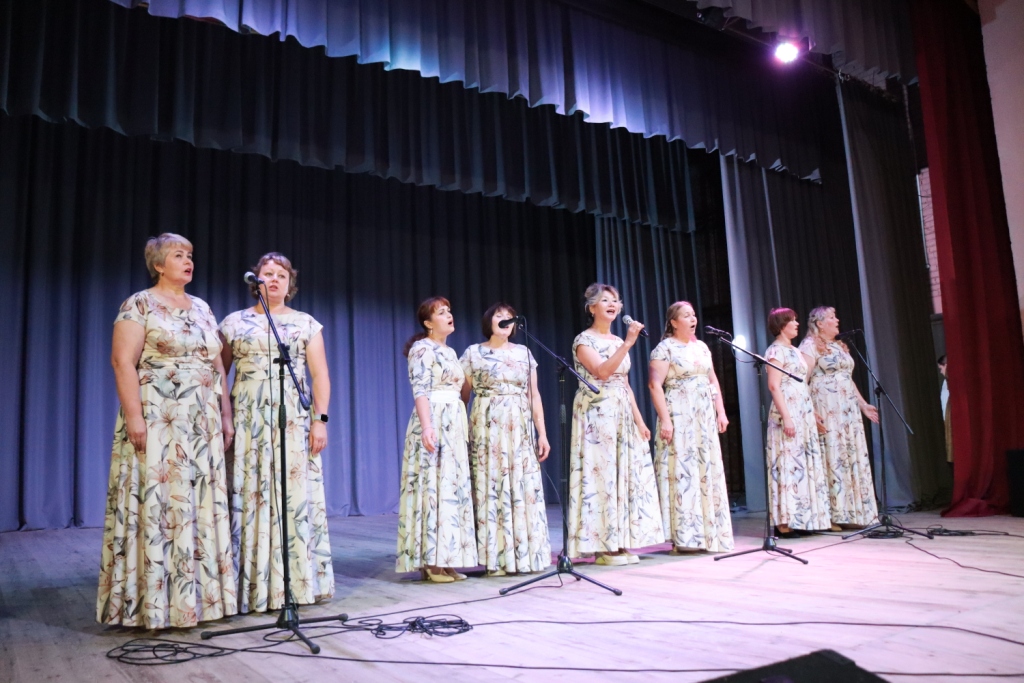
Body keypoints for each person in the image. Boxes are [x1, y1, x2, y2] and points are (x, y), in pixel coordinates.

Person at [98, 233, 238, 628]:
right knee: (162, 503)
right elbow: (122, 362)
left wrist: (225, 415)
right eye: (178, 255)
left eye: (190, 254)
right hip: (159, 415)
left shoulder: (203, 308)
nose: (188, 261)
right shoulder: (139, 304)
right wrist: (135, 417)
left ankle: (201, 602)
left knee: (199, 504)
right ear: (159, 265)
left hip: (202, 421)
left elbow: (217, 366)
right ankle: (154, 604)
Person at [219, 252, 334, 613]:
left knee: (292, 496)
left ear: (290, 283)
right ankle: (249, 586)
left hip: (292, 418)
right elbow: (219, 373)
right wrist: (225, 416)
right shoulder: (233, 323)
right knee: (251, 494)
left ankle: (295, 583)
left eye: (281, 275)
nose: (274, 279)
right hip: (248, 418)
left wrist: (320, 420)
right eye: (267, 273)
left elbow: (320, 375)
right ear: (256, 281)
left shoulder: (305, 323)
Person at [568, 284, 664, 565]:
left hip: (621, 411)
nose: (612, 304)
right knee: (603, 477)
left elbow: (624, 383)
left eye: (615, 301)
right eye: (605, 300)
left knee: (623, 477)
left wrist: (639, 419)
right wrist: (628, 342)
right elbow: (602, 371)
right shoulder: (584, 340)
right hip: (597, 413)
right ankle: (601, 547)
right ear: (591, 307)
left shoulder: (617, 340)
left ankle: (619, 541)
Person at [460, 303, 552, 577]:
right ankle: (494, 558)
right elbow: (463, 396)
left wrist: (542, 433)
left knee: (521, 486)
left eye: (509, 317)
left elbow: (534, 395)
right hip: (487, 426)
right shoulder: (473, 353)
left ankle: (524, 555)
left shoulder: (524, 353)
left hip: (519, 427)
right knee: (492, 486)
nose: (505, 320)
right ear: (488, 322)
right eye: (499, 316)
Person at [396, 297, 478, 582]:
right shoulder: (422, 348)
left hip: (454, 423)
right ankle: (431, 562)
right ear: (428, 323)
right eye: (441, 312)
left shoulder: (451, 352)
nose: (448, 315)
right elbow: (419, 389)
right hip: (434, 419)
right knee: (433, 489)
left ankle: (447, 559)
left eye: (449, 311)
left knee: (451, 491)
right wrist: (428, 426)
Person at [648, 301, 734, 553]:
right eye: (686, 316)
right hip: (680, 414)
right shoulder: (664, 349)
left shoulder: (702, 347)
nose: (693, 319)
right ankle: (684, 536)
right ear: (674, 322)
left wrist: (721, 411)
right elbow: (654, 385)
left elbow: (712, 380)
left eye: (694, 315)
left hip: (703, 417)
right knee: (682, 471)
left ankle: (708, 532)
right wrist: (666, 419)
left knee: (705, 468)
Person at [799, 307, 879, 531]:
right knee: (832, 456)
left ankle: (853, 511)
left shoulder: (839, 346)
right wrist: (810, 410)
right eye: (832, 317)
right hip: (826, 407)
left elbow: (847, 379)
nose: (837, 320)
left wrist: (863, 404)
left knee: (848, 455)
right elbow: (802, 379)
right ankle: (831, 515)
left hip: (847, 410)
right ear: (820, 323)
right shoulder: (809, 345)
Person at [764, 307, 831, 535]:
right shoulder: (775, 351)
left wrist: (811, 412)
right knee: (788, 463)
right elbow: (774, 386)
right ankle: (784, 522)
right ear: (781, 325)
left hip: (803, 411)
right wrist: (787, 417)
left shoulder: (795, 351)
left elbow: (802, 383)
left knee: (803, 464)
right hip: (788, 411)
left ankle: (802, 518)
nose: (797, 324)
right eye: (792, 321)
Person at [938, 355, 952, 470]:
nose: (941, 372)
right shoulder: (945, 382)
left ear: (946, 365)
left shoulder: (951, 381)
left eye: (941, 368)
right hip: (946, 421)